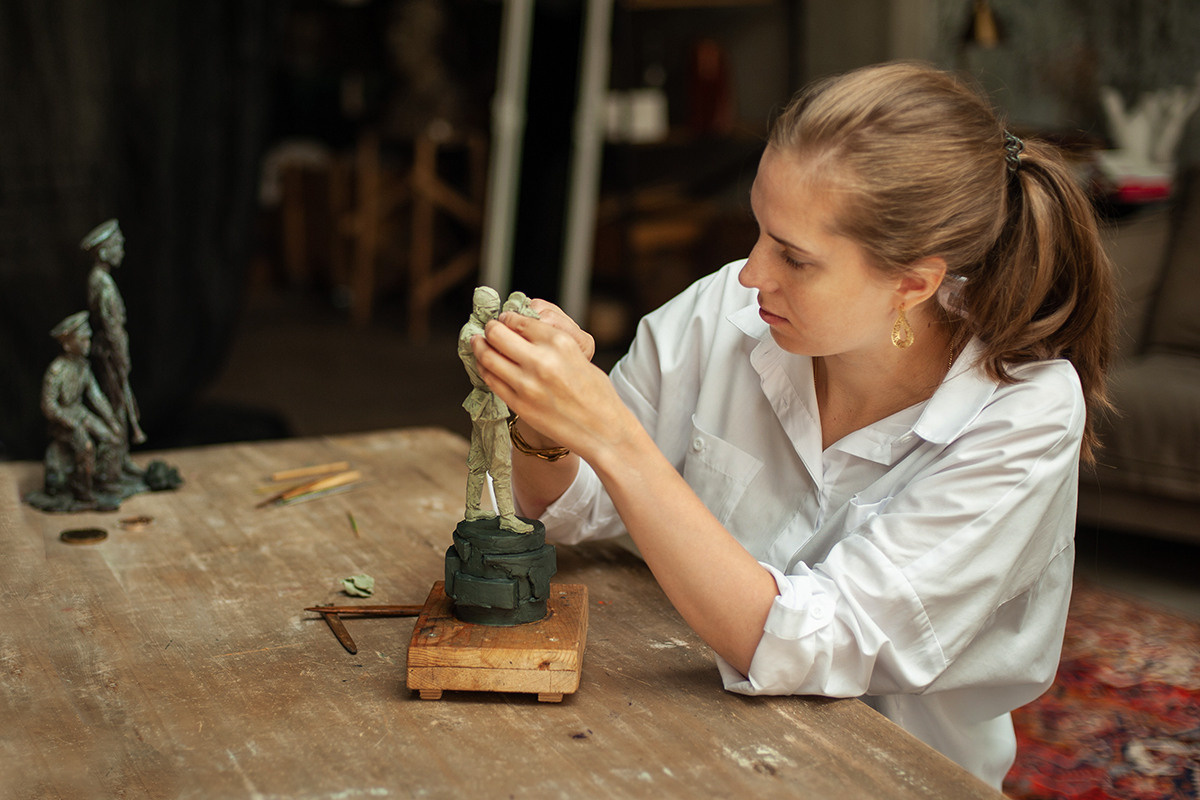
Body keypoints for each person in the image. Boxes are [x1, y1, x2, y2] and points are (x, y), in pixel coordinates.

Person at [470, 62, 1115, 789]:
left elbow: (823, 644)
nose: (749, 274)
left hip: (887, 773)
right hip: (690, 728)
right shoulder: (726, 312)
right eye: (760, 230)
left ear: (915, 283)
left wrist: (615, 437)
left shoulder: (1023, 411)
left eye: (794, 257)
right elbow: (573, 508)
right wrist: (542, 419)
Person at [458, 286, 534, 533]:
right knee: (500, 464)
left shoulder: (478, 329)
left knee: (478, 461)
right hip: (488, 404)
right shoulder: (470, 334)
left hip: (485, 403)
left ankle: (472, 509)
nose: (494, 316)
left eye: (497, 310)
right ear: (477, 310)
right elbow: (487, 348)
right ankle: (508, 517)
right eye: (491, 311)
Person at [82, 218, 146, 490]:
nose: (121, 250)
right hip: (110, 352)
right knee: (116, 404)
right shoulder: (103, 283)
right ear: (105, 251)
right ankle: (112, 467)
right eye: (117, 245)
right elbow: (111, 327)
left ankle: (121, 459)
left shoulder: (100, 279)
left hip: (109, 350)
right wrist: (121, 358)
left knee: (120, 403)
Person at [38, 311, 121, 507]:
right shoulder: (57, 370)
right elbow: (48, 406)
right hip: (64, 420)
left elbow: (96, 397)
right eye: (83, 340)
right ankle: (82, 489)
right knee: (86, 447)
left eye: (88, 339)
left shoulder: (83, 367)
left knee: (112, 439)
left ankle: (101, 479)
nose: (88, 343)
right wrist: (70, 422)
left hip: (80, 413)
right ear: (68, 344)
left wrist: (111, 421)